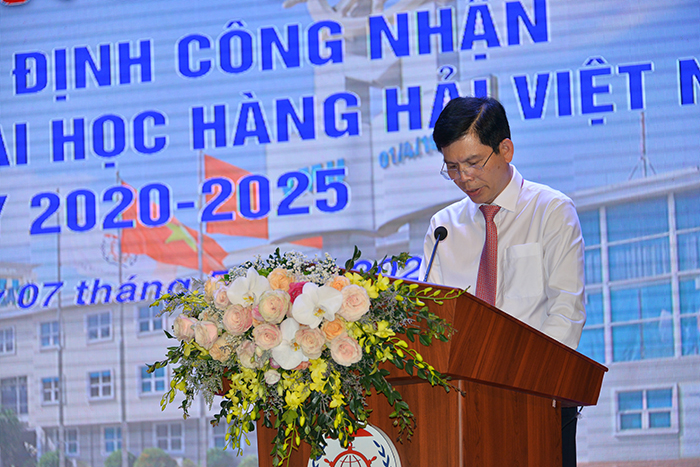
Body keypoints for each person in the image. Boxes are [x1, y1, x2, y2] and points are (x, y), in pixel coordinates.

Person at [418, 96, 586, 467]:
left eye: (473, 163)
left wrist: (520, 383)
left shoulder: (551, 211)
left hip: (535, 402)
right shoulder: (444, 228)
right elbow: (432, 323)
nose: (463, 178)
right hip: (460, 409)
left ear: (505, 149)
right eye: (452, 167)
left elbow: (566, 312)